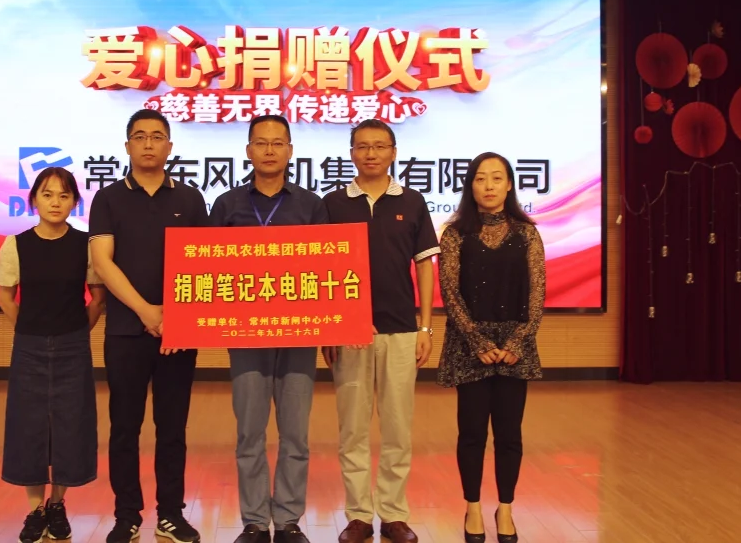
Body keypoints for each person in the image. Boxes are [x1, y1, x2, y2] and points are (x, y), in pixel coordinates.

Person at [89, 109, 209, 543]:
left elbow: (203, 262)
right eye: (139, 136)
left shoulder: (190, 200)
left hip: (180, 332)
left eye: (157, 136)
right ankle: (126, 515)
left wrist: (176, 316)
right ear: (127, 146)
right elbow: (103, 261)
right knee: (124, 428)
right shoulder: (108, 198)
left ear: (169, 147)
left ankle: (171, 514)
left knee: (172, 429)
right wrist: (146, 311)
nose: (148, 144)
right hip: (125, 330)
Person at [209, 114, 328, 543]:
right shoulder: (226, 205)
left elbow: (328, 268)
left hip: (298, 334)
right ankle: (256, 521)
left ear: (291, 151)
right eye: (261, 142)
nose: (270, 150)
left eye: (278, 143)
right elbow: (208, 266)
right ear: (248, 150)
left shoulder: (311, 205)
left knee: (295, 433)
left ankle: (289, 520)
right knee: (249, 432)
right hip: (245, 335)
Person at [321, 119, 439, 543]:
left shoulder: (412, 200)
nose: (370, 153)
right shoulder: (333, 203)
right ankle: (358, 516)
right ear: (351, 152)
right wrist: (330, 326)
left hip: (402, 331)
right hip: (349, 333)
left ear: (393, 152)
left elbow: (424, 265)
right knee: (352, 430)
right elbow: (321, 269)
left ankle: (393, 514)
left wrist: (425, 326)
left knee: (397, 429)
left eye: (379, 146)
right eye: (362, 146)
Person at [435, 152, 545, 543]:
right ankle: (472, 508)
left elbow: (537, 293)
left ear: (509, 184)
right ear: (470, 185)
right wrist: (478, 341)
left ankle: (506, 508)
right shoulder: (454, 233)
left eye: (497, 178)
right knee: (471, 433)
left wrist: (517, 341)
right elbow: (450, 292)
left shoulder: (527, 233)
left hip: (516, 346)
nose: (489, 186)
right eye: (480, 178)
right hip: (469, 346)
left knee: (509, 434)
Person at [0, 166, 106, 543]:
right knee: (29, 426)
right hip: (29, 347)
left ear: (74, 202)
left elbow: (97, 298)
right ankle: (35, 510)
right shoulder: (16, 244)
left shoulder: (86, 245)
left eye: (63, 195)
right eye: (47, 194)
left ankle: (57, 504)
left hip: (73, 345)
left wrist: (75, 332)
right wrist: (30, 327)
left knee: (70, 424)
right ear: (33, 201)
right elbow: (6, 297)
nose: (55, 202)